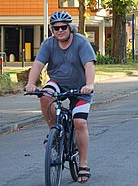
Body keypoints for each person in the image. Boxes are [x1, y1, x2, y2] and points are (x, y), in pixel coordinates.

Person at [25, 11, 95, 183]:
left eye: (64, 27)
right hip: (58, 82)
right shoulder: (48, 44)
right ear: (52, 30)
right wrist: (31, 83)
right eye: (56, 28)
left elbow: (89, 65)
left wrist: (89, 85)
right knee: (45, 96)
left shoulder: (81, 42)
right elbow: (38, 64)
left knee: (79, 122)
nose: (60, 30)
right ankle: (53, 132)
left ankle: (83, 164)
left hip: (80, 88)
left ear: (70, 28)